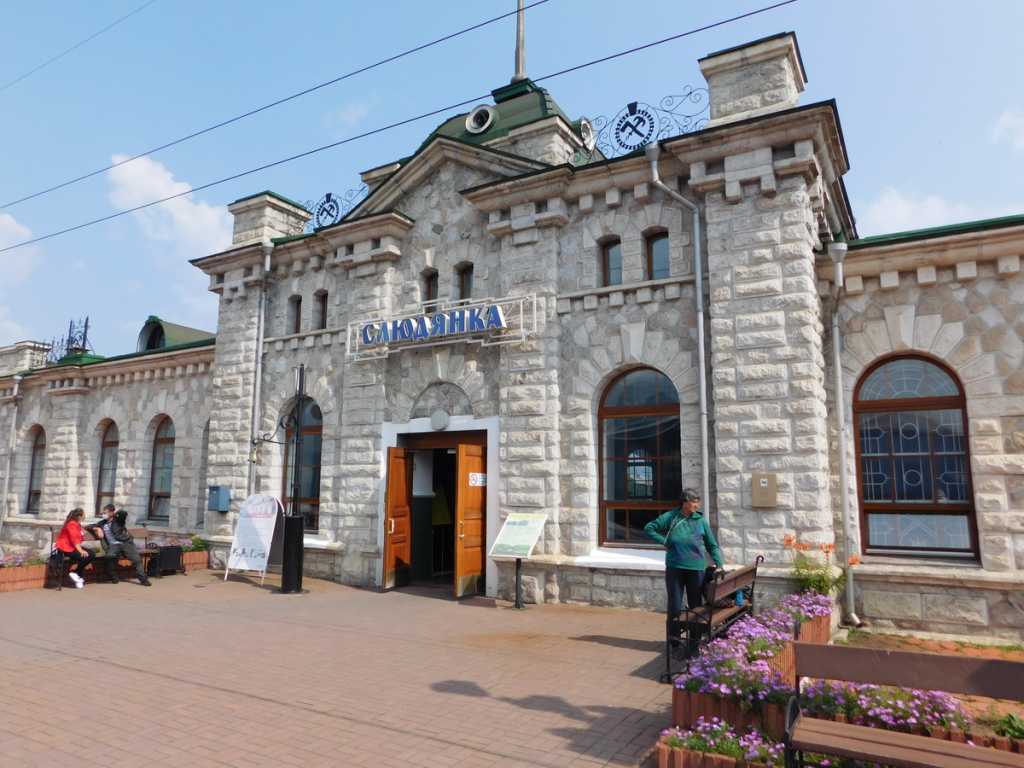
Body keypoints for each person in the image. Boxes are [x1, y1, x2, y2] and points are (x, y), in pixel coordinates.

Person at [644, 489, 724, 628]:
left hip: (696, 569)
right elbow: (649, 528)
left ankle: (695, 637)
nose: (697, 506)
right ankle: (674, 637)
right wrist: (665, 541)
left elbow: (712, 546)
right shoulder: (671, 517)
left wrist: (719, 564)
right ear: (685, 502)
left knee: (696, 606)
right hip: (675, 567)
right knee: (674, 606)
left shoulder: (701, 521)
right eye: (694, 502)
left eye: (698, 502)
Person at [86, 505, 151, 586]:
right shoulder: (102, 523)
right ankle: (114, 577)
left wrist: (117, 512)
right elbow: (88, 526)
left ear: (111, 513)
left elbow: (124, 513)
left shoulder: (119, 520)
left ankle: (143, 580)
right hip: (113, 545)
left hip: (125, 543)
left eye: (105, 513)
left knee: (137, 560)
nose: (103, 514)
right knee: (109, 557)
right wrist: (97, 529)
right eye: (103, 513)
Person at [54, 508, 95, 588]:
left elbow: (79, 538)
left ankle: (77, 575)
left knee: (91, 553)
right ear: (79, 516)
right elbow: (74, 539)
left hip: (72, 546)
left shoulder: (77, 524)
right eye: (84, 514)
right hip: (65, 548)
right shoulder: (72, 524)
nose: (85, 516)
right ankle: (75, 573)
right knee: (87, 555)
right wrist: (81, 550)